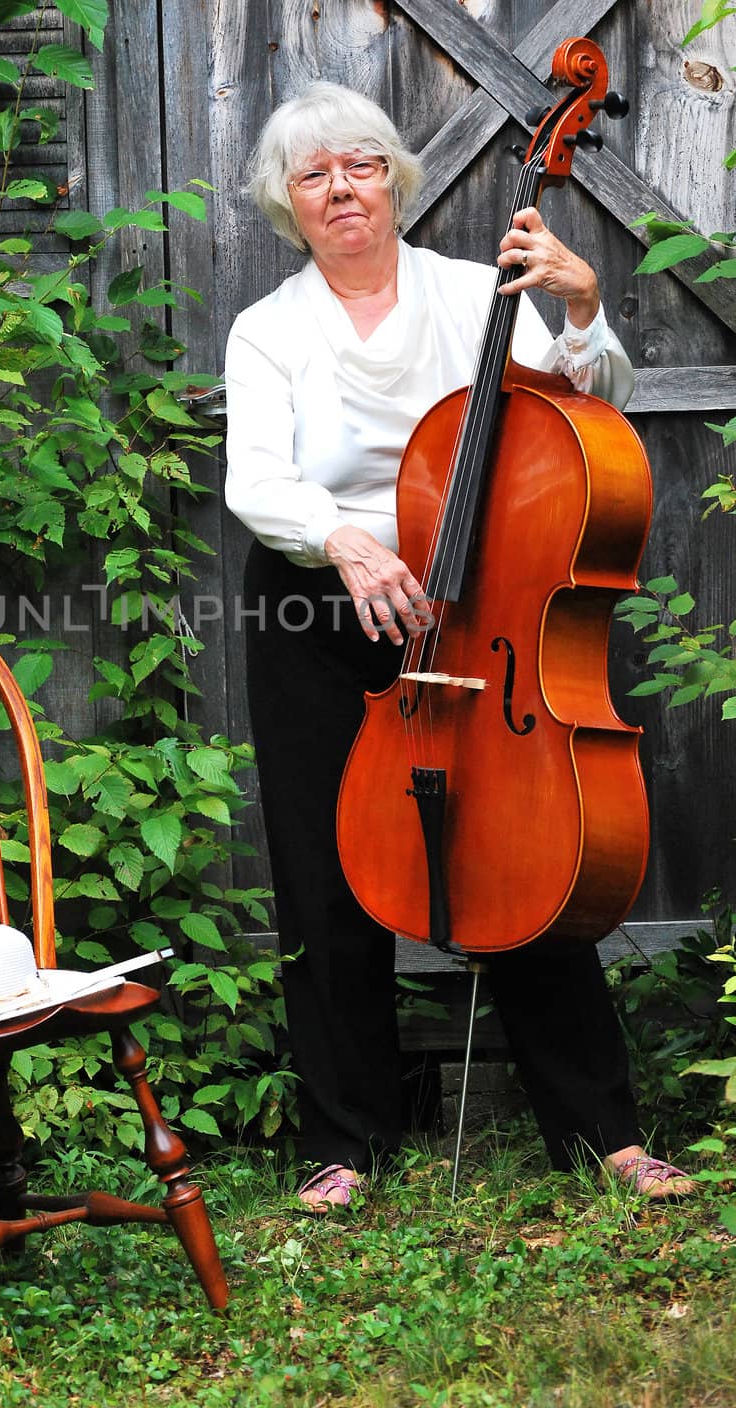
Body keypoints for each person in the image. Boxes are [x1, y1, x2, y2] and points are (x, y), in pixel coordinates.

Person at [223, 81, 693, 1213]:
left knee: (523, 852)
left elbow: (593, 408)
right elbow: (257, 478)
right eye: (314, 174)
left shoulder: (473, 294)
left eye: (361, 165)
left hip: (483, 600)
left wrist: (582, 314)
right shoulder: (270, 327)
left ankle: (605, 1132)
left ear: (395, 178)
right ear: (289, 204)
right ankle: (346, 1138)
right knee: (325, 870)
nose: (341, 189)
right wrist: (341, 542)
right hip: (324, 605)